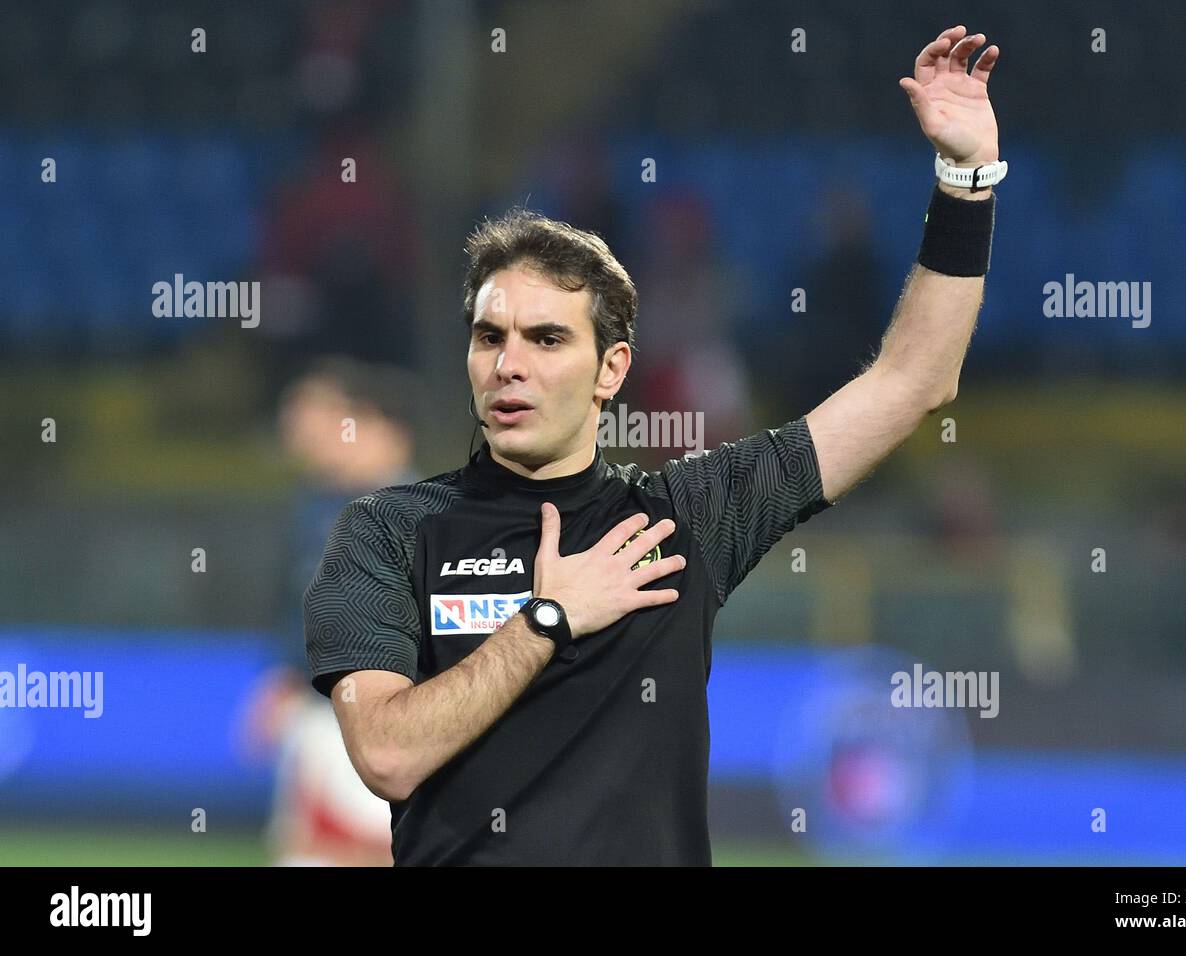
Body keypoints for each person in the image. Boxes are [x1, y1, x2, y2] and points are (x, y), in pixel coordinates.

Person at [304, 24, 1001, 865]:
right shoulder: (387, 529)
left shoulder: (684, 518)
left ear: (612, 369)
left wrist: (965, 182)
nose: (509, 364)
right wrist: (548, 618)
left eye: (547, 339)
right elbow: (385, 756)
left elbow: (912, 382)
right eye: (490, 337)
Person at [244, 357, 425, 866]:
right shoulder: (316, 508)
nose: (302, 429)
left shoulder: (418, 514)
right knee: (304, 853)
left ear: (372, 425)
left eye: (316, 415)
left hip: (379, 715)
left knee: (364, 848)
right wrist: (284, 678)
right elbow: (297, 606)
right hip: (317, 714)